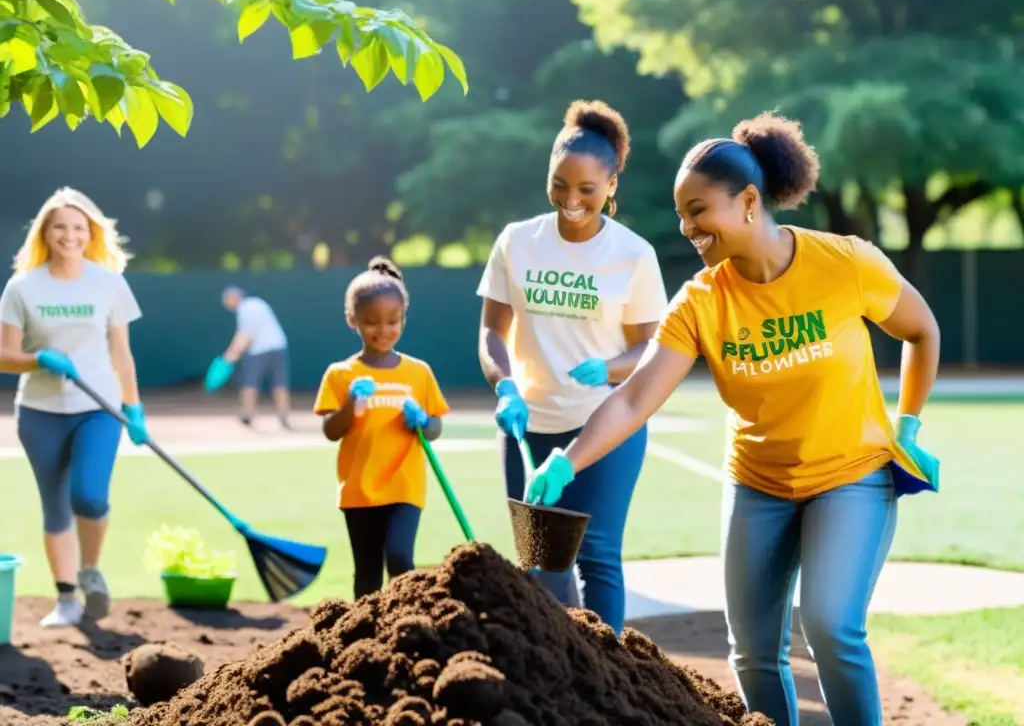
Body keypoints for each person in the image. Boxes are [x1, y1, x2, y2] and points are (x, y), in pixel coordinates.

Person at [524, 112, 941, 726]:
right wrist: (568, 459)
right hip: (760, 483)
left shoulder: (845, 263)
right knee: (751, 653)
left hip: (851, 474)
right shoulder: (701, 300)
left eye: (699, 210)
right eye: (682, 216)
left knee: (830, 626)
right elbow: (637, 397)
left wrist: (907, 425)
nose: (689, 228)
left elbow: (921, 330)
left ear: (748, 201)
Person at [476, 99, 669, 636]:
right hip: (528, 421)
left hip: (605, 423)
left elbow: (651, 353)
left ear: (611, 185)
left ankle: (610, 684)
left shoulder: (633, 254)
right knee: (538, 563)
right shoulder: (517, 241)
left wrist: (609, 367)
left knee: (598, 554)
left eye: (587, 189)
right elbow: (492, 332)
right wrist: (505, 386)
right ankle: (554, 677)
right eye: (560, 184)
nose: (571, 200)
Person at [0, 187, 150, 628]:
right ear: (45, 233)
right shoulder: (23, 286)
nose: (70, 235)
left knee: (89, 494)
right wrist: (39, 359)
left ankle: (90, 570)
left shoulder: (108, 283)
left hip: (97, 407)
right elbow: (4, 355)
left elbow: (121, 352)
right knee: (56, 506)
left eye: (79, 228)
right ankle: (66, 598)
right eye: (60, 227)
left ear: (91, 234)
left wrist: (134, 408)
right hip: (40, 412)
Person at [313, 257, 449, 599]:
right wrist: (350, 407)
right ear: (352, 321)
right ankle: (366, 638)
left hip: (405, 485)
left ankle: (411, 622)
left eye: (393, 321)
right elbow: (331, 431)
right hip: (359, 488)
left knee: (401, 558)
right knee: (368, 571)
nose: (383, 330)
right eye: (372, 322)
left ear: (403, 318)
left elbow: (435, 428)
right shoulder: (341, 374)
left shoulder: (419, 373)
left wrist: (423, 421)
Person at [203, 286, 291, 429]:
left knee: (250, 384)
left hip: (259, 351)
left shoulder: (245, 310)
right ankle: (284, 418)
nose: (226, 304)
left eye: (226, 300)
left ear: (234, 297)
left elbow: (244, 336)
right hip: (279, 346)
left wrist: (229, 357)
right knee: (280, 384)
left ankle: (247, 415)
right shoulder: (258, 303)